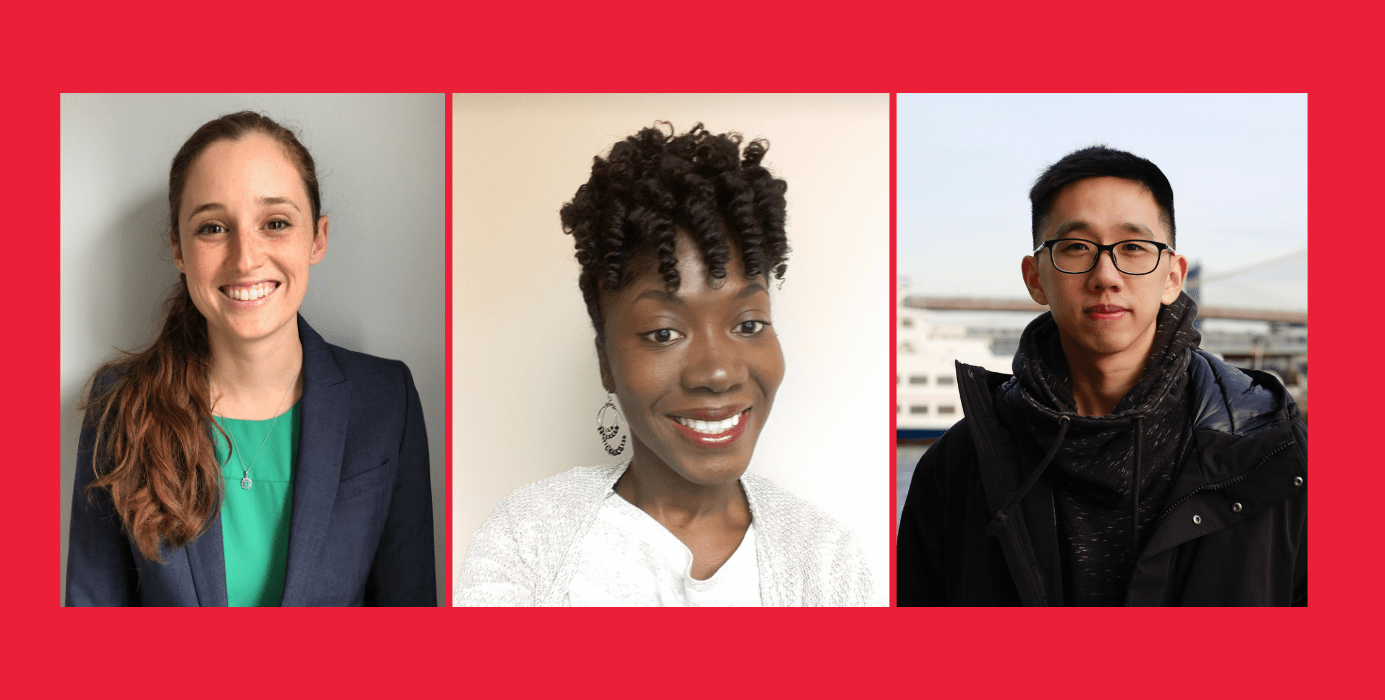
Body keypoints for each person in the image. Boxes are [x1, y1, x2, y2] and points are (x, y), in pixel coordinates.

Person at [454, 123, 874, 606]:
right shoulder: (528, 539)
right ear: (605, 362)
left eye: (750, 324)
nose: (717, 373)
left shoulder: (823, 559)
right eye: (664, 333)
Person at [897, 146, 1307, 606]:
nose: (1105, 275)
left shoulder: (1277, 451)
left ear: (1173, 276)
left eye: (1134, 247)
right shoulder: (958, 465)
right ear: (1035, 278)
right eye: (1076, 247)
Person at [66, 111, 436, 606]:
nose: (245, 258)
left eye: (276, 223)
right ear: (178, 249)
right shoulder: (120, 405)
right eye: (213, 228)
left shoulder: (389, 402)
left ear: (317, 238)